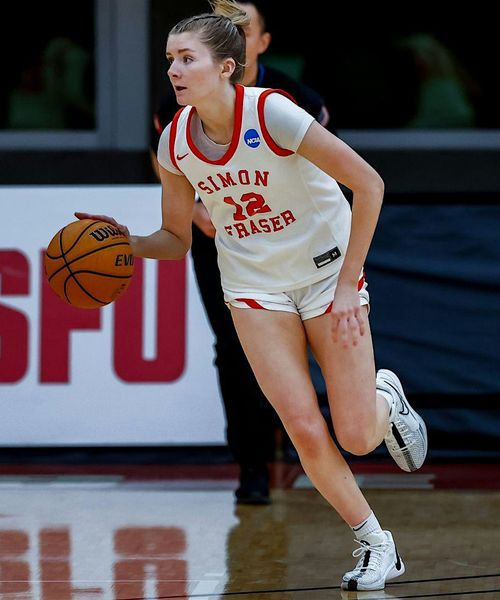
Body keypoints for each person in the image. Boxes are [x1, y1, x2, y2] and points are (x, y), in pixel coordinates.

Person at [77, 0, 428, 591]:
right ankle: (375, 541)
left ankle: (384, 401)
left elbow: (370, 184)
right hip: (253, 286)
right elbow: (174, 238)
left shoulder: (274, 114)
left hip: (325, 274)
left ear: (227, 67)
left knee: (356, 436)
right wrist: (122, 243)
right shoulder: (175, 146)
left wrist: (348, 286)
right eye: (170, 59)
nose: (174, 70)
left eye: (187, 58)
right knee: (300, 425)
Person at [150, 0, 335, 506]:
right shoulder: (177, 106)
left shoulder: (291, 99)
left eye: (242, 28)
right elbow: (169, 168)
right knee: (233, 352)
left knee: (308, 352)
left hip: (291, 242)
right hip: (223, 246)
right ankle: (252, 465)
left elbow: (326, 171)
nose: (176, 69)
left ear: (256, 45)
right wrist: (194, 214)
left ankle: (306, 441)